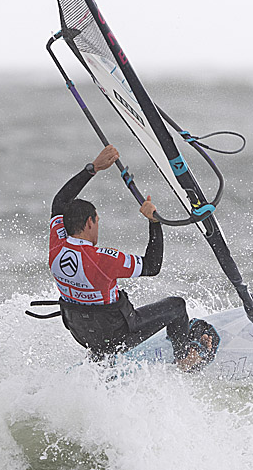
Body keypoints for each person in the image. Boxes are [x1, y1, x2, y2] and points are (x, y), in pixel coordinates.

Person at [47, 144, 218, 371]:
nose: (98, 227)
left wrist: (93, 168)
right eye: (97, 221)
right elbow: (152, 266)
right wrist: (154, 222)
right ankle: (185, 357)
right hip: (116, 336)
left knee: (94, 311)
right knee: (176, 306)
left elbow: (59, 202)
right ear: (89, 222)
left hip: (82, 335)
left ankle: (100, 360)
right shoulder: (101, 260)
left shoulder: (57, 246)